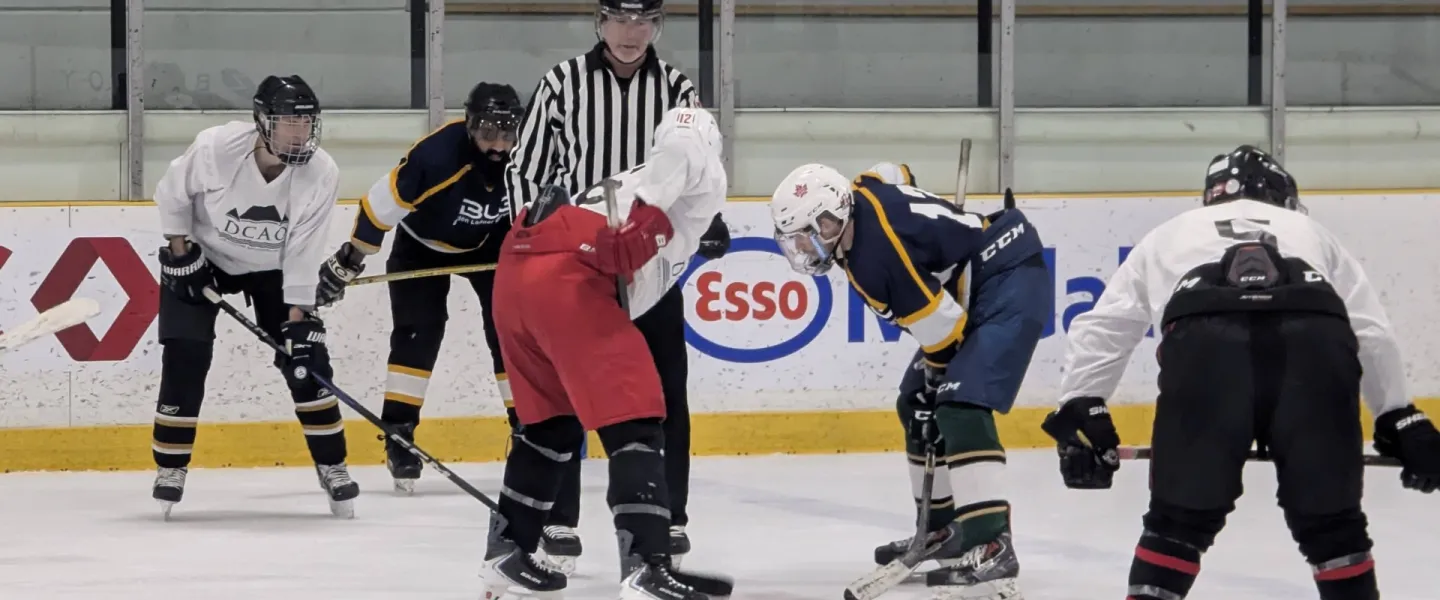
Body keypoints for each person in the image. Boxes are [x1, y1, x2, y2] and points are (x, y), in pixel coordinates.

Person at [1041, 145, 1440, 600]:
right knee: (1334, 527)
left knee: (1177, 524)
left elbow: (1104, 326)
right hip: (1313, 339)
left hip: (1205, 345)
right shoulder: (1309, 229)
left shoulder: (1171, 232)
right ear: (1280, 195)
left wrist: (1082, 403)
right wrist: (1397, 415)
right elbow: (1369, 331)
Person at [504, 0, 729, 572]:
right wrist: (531, 237)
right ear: (599, 23)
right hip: (577, 263)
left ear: (658, 27)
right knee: (565, 393)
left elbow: (697, 156)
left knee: (661, 390)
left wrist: (709, 218)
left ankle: (668, 516)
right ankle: (559, 516)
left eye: (644, 22)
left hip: (647, 262)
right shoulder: (561, 82)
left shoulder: (677, 86)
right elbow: (527, 170)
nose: (632, 34)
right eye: (620, 21)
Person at [769, 162, 1048, 599]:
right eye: (796, 241)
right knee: (914, 399)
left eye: (809, 234)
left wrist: (941, 378)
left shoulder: (873, 262)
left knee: (960, 402)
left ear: (833, 216)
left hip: (1008, 275)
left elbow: (946, 334)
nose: (804, 248)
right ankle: (942, 530)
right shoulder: (861, 189)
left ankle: (992, 545)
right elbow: (894, 171)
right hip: (977, 277)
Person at [150, 74, 355, 518]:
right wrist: (180, 255)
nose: (299, 132)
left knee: (306, 361)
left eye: (306, 123)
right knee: (186, 353)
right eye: (288, 123)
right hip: (205, 259)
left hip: (273, 271)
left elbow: (304, 249)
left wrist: (300, 318)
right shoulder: (216, 149)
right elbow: (171, 195)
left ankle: (332, 464)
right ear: (263, 122)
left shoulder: (321, 172)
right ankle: (171, 466)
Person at [312, 82, 524, 494]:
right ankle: (399, 432)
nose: (498, 145)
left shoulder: (528, 155)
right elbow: (378, 206)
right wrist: (348, 261)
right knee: (417, 332)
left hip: (490, 246)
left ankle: (526, 426)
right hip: (421, 247)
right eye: (487, 133)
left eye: (507, 133)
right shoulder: (436, 157)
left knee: (510, 331)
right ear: (469, 126)